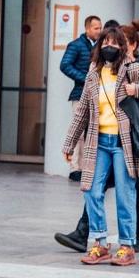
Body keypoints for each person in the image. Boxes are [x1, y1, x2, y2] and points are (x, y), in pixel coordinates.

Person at [56, 20, 139, 254]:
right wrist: (69, 143)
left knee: (125, 194)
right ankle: (99, 242)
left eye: (114, 43)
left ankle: (127, 245)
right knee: (91, 190)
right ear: (99, 46)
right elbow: (82, 112)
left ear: (122, 46)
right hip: (98, 143)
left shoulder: (131, 70)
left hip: (123, 144)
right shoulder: (93, 73)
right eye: (105, 42)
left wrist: (136, 90)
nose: (109, 46)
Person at [60, 15, 101, 182]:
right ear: (87, 29)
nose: (99, 31)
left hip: (97, 95)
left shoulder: (101, 46)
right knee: (78, 132)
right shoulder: (76, 45)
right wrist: (84, 78)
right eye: (96, 28)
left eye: (100, 28)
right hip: (79, 94)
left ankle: (85, 168)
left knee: (91, 132)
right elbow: (64, 65)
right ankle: (75, 168)